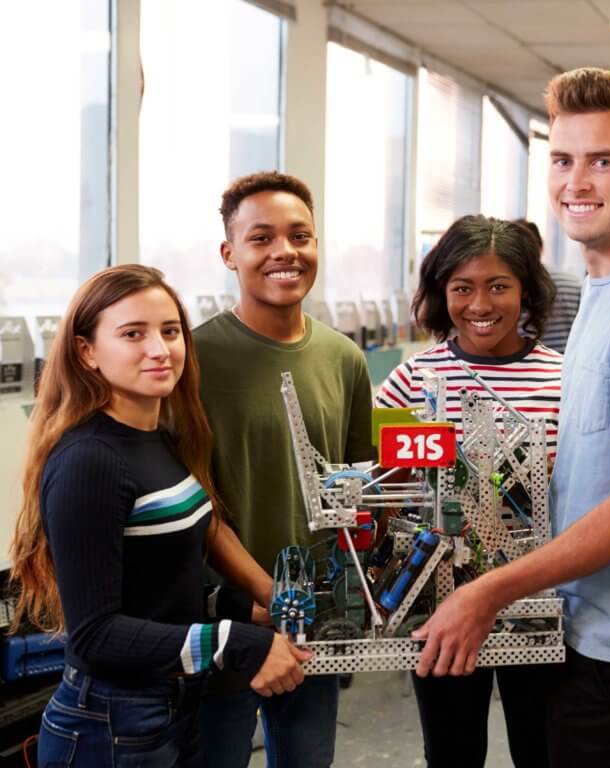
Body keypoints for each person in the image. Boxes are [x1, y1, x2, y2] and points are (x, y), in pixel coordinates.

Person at [410, 68, 610, 768]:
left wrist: (486, 591)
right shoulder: (603, 286)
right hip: (583, 622)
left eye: (602, 161)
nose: (576, 181)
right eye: (562, 159)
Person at [9, 265, 307, 767]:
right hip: (109, 724)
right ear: (87, 352)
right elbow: (96, 634)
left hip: (171, 708)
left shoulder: (158, 438)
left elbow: (156, 584)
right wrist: (236, 643)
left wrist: (241, 607)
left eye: (170, 331)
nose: (159, 349)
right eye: (133, 334)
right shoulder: (90, 460)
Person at [194, 172, 376, 767]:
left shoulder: (344, 358)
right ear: (229, 253)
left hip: (313, 619)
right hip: (221, 615)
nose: (284, 253)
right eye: (261, 238)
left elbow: (353, 491)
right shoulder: (190, 360)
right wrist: (263, 596)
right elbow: (189, 505)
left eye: (300, 235)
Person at [376, 214, 560, 768]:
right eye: (462, 288)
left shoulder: (564, 379)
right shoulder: (412, 381)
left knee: (544, 748)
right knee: (452, 752)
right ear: (441, 293)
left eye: (499, 286)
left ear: (526, 290)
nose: (480, 304)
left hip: (538, 596)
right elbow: (387, 488)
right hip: (444, 602)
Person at [513, 218, 582, 354]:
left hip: (528, 367)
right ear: (541, 246)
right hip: (569, 364)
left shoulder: (511, 287)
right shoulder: (573, 283)